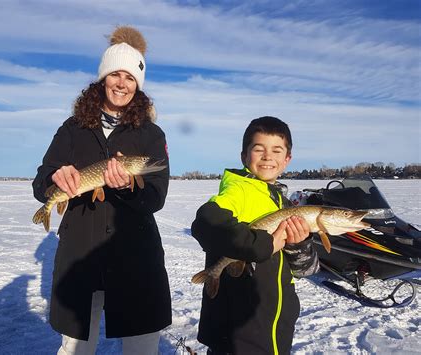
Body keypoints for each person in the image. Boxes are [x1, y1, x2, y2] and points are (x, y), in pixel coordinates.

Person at [32, 26, 171, 355]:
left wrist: (127, 189)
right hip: (81, 255)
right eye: (116, 74)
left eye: (131, 78)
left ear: (138, 86)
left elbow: (156, 195)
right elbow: (42, 181)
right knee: (75, 348)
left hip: (135, 256)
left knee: (141, 346)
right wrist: (57, 179)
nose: (122, 83)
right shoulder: (72, 129)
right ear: (102, 78)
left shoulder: (150, 134)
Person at [191, 116, 320, 355]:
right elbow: (205, 222)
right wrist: (261, 245)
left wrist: (298, 245)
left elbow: (306, 270)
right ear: (244, 156)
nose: (268, 157)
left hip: (275, 322)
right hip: (240, 328)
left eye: (276, 150)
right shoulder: (238, 190)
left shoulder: (284, 204)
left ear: (287, 159)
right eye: (258, 149)